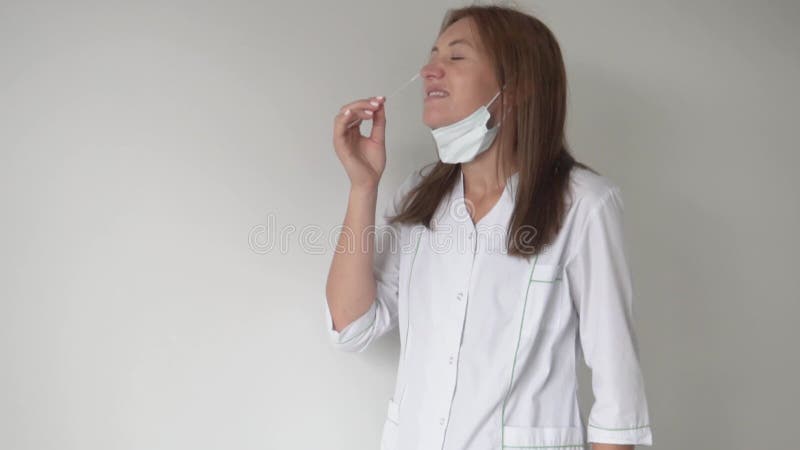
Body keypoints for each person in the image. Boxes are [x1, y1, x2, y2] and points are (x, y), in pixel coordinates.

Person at [325, 5, 653, 450]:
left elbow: (618, 394)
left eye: (456, 57)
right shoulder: (419, 197)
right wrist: (364, 186)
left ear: (516, 87)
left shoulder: (584, 205)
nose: (429, 70)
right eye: (433, 55)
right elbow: (351, 325)